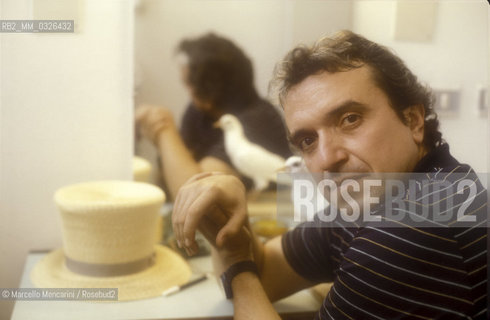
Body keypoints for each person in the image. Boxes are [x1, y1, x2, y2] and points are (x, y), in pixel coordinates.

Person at [172, 30, 487, 319]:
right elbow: (266, 273)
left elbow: (249, 277)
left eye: (350, 119)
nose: (326, 159)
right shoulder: (378, 198)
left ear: (413, 120)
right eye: (308, 141)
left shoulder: (411, 227)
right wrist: (224, 221)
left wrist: (238, 264)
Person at [135, 33, 291, 199]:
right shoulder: (199, 112)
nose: (186, 87)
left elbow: (195, 195)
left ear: (210, 92)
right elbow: (172, 175)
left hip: (271, 218)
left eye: (188, 83)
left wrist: (163, 128)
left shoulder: (259, 120)